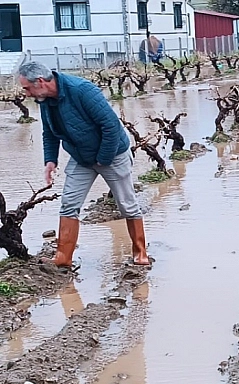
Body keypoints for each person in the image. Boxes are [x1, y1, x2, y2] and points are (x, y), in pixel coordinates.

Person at [16, 61, 150, 267]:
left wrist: (103, 159)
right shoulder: (45, 101)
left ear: (40, 82)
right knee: (69, 203)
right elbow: (49, 133)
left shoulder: (82, 90)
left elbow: (111, 127)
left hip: (112, 154)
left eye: (26, 88)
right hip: (81, 158)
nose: (26, 93)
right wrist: (50, 160)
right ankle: (63, 257)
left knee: (127, 204)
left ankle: (140, 253)